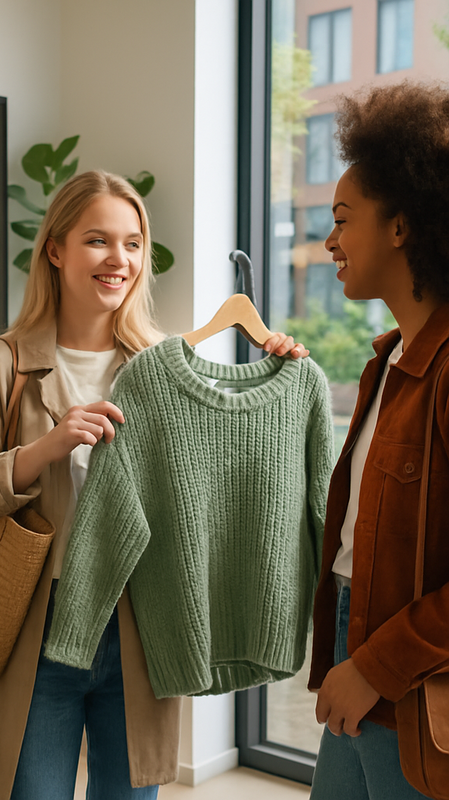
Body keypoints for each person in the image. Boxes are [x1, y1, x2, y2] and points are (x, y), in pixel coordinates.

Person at [0, 169, 309, 800]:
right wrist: (44, 450)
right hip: (37, 624)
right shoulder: (0, 364)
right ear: (54, 249)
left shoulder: (165, 367)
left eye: (134, 243)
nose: (120, 260)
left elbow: (219, 474)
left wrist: (278, 366)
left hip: (143, 625)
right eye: (98, 241)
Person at [307, 81, 449, 799]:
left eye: (342, 219)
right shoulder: (387, 361)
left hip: (414, 684)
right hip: (358, 650)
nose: (328, 240)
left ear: (402, 225)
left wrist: (373, 667)